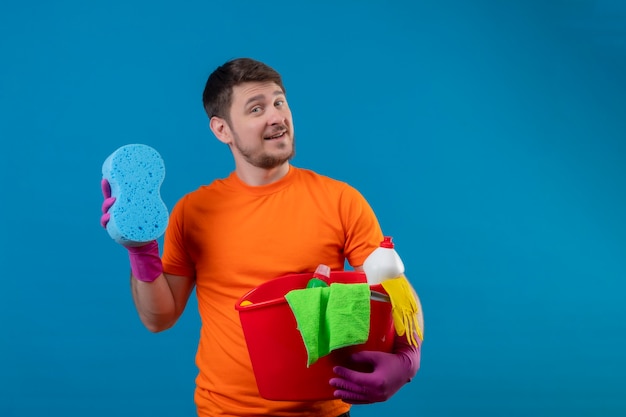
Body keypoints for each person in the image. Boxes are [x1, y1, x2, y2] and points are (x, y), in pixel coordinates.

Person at [100, 57, 424, 417]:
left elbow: (396, 290)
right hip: (223, 411)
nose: (276, 117)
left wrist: (408, 358)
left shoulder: (340, 200)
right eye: (257, 108)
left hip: (323, 410)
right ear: (222, 130)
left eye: (279, 102)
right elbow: (159, 318)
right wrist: (140, 251)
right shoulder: (193, 212)